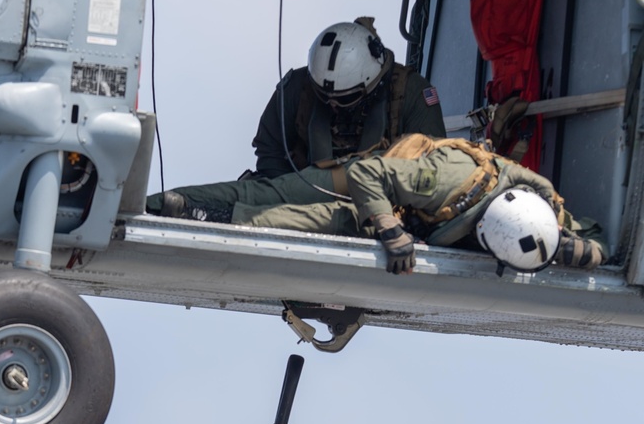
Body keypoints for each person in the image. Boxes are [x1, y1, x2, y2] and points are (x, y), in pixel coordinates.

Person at [145, 18, 446, 222]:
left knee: (301, 220)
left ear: (371, 86)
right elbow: (271, 150)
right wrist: (284, 189)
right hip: (301, 186)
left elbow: (432, 169)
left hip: (378, 201)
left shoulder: (411, 94)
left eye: (344, 99)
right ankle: (161, 204)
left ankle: (212, 213)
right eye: (325, 97)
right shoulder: (297, 90)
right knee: (256, 195)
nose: (332, 104)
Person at [237, 134, 607, 274]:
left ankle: (224, 214)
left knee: (304, 219)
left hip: (391, 215)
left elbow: (602, 242)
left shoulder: (542, 218)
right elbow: (366, 174)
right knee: (286, 202)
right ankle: (211, 208)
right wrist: (389, 228)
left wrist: (587, 252)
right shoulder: (447, 181)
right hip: (386, 205)